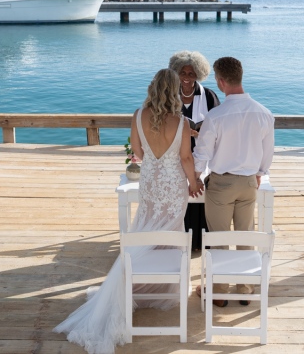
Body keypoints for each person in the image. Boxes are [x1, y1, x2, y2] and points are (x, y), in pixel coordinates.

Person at [54, 68, 203, 354]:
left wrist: (156, 163)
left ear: (152, 88)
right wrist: (194, 182)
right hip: (173, 185)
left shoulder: (137, 115)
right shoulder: (182, 122)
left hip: (150, 181)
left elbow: (138, 150)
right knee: (170, 231)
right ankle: (163, 288)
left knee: (145, 228)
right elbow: (186, 157)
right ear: (173, 91)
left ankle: (143, 283)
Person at [193, 57, 274, 307]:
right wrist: (259, 172)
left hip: (221, 184)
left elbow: (202, 153)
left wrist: (194, 177)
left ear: (220, 81)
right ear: (240, 76)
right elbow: (267, 152)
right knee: (245, 235)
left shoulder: (216, 116)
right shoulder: (263, 113)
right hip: (249, 182)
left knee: (218, 238)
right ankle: (245, 288)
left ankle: (218, 292)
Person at [168, 50, 220, 251]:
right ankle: (182, 241)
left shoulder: (208, 95)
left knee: (200, 192)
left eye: (191, 74)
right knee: (182, 193)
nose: (187, 78)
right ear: (176, 73)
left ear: (198, 74)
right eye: (183, 73)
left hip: (202, 151)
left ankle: (199, 241)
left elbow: (218, 123)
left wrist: (200, 134)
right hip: (177, 152)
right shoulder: (170, 95)